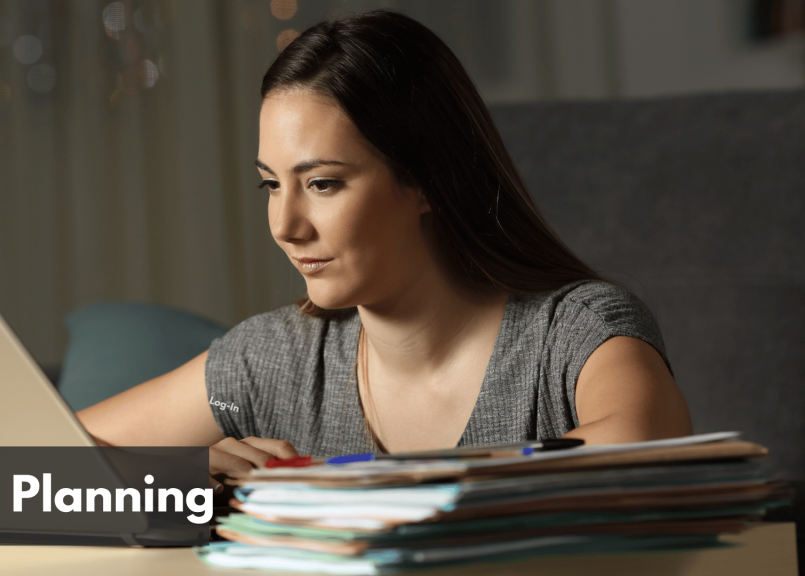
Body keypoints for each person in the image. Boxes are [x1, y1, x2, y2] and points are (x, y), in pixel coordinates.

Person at [78, 10, 692, 492]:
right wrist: (170, 478)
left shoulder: (574, 332)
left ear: (425, 178)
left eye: (322, 184)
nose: (285, 225)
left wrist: (348, 487)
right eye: (271, 185)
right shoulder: (269, 364)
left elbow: (648, 451)